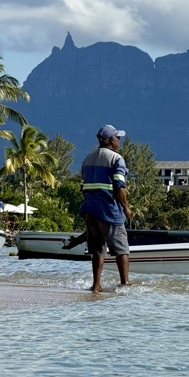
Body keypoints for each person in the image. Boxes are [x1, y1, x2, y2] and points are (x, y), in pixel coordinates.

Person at [79, 123, 132, 293]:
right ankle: (125, 284)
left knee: (97, 249)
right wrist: (125, 208)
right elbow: (119, 187)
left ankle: (96, 285)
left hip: (89, 208)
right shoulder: (116, 159)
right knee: (121, 248)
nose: (119, 140)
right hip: (108, 208)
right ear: (110, 140)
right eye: (117, 137)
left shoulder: (88, 159)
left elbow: (84, 185)